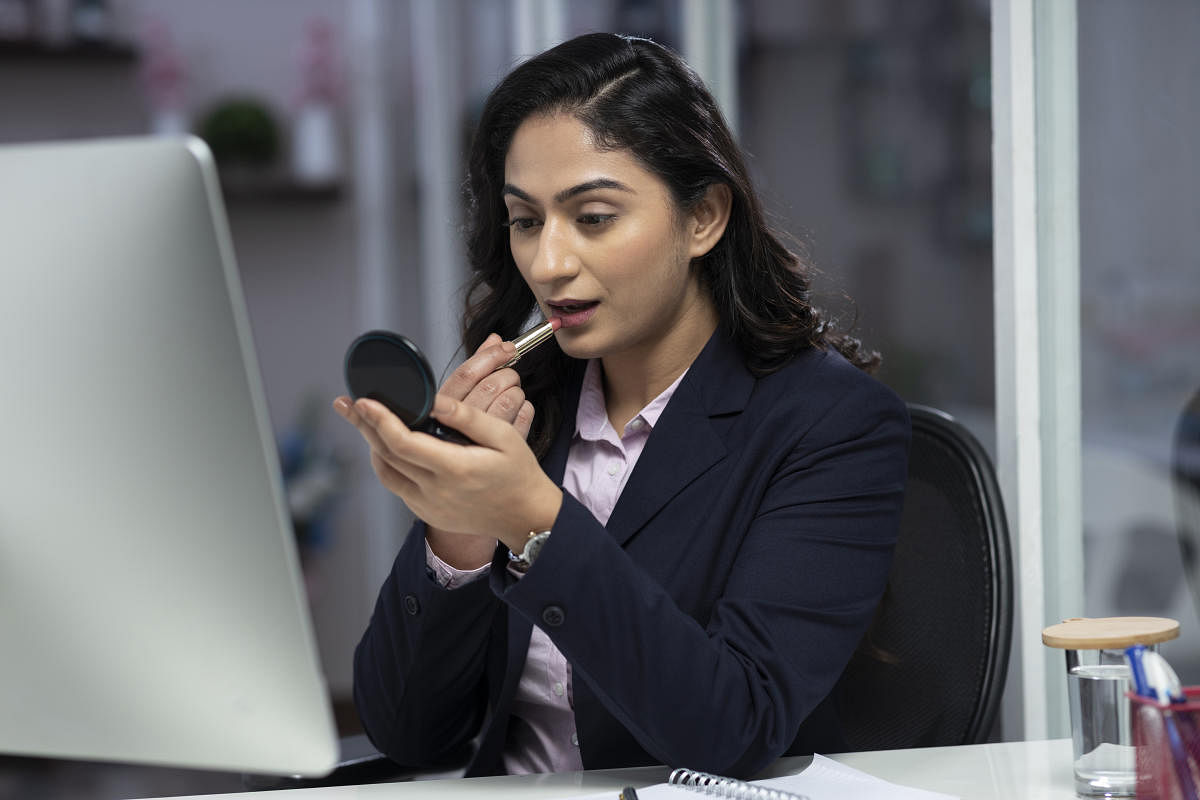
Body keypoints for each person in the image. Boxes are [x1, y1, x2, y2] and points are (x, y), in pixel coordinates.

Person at [333, 32, 909, 779]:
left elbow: (733, 728)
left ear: (703, 217)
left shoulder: (832, 425)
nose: (549, 263)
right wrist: (456, 533)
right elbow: (408, 735)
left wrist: (534, 520)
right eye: (527, 220)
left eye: (594, 217)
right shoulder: (526, 403)